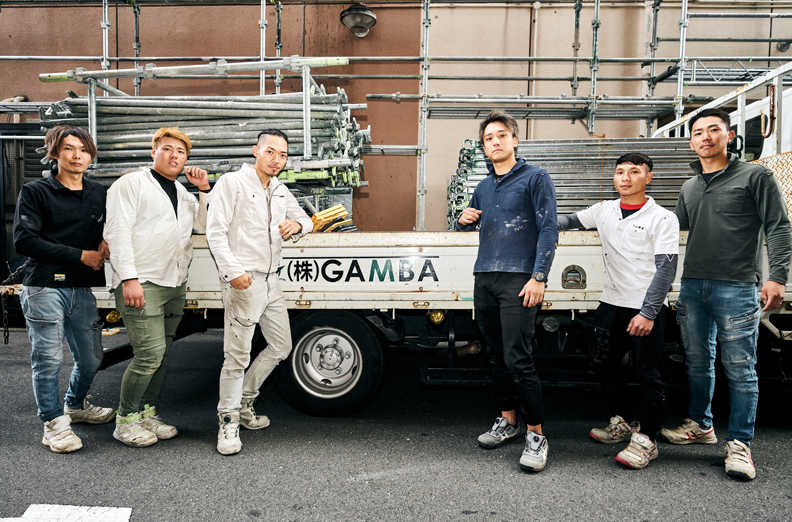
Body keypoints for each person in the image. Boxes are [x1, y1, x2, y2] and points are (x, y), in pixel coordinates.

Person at [660, 108, 792, 480]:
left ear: (729, 136)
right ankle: (701, 425)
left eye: (714, 129)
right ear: (691, 142)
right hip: (693, 286)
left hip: (737, 286)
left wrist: (777, 277)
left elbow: (778, 226)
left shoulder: (755, 175)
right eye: (698, 132)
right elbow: (674, 230)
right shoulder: (689, 187)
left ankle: (740, 444)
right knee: (697, 362)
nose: (706, 137)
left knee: (740, 369)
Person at [557, 153, 679, 469]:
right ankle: (625, 420)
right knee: (603, 365)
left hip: (645, 307)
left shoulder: (663, 218)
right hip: (612, 302)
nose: (625, 177)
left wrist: (649, 313)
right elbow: (567, 221)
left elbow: (666, 269)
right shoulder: (604, 210)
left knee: (649, 374)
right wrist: (532, 224)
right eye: (620, 171)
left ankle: (647, 438)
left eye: (634, 171)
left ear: (648, 178)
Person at [456, 110, 557, 472]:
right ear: (483, 147)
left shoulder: (536, 178)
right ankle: (508, 421)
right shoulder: (483, 187)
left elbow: (549, 229)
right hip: (485, 276)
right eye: (488, 138)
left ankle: (536, 435)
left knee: (518, 358)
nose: (495, 142)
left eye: (501, 135)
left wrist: (539, 276)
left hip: (519, 279)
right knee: (495, 355)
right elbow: (472, 225)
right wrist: (462, 220)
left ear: (514, 140)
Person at [206, 129, 313, 455]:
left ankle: (245, 402)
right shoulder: (232, 183)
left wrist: (298, 225)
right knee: (236, 357)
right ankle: (227, 421)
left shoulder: (280, 190)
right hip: (244, 280)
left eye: (283, 155)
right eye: (270, 152)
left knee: (281, 345)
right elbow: (215, 232)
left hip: (271, 281)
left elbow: (306, 219)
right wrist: (233, 272)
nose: (277, 160)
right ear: (256, 151)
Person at [105, 127, 211, 447]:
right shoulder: (131, 184)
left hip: (173, 283)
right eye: (167, 149)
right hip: (142, 282)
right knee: (148, 355)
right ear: (153, 152)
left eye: (181, 152)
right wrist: (129, 278)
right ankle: (125, 421)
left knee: (162, 354)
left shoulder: (183, 194)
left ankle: (146, 413)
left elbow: (203, 227)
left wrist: (204, 190)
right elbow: (117, 232)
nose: (174, 155)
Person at [13, 125, 115, 453]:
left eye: (83, 150)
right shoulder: (36, 191)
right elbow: (24, 240)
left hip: (81, 288)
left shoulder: (98, 192)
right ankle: (53, 423)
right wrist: (80, 255)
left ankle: (75, 404)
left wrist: (106, 238)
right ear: (55, 153)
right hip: (44, 286)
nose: (77, 156)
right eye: (69, 148)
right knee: (48, 359)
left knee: (92, 358)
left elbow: (112, 225)